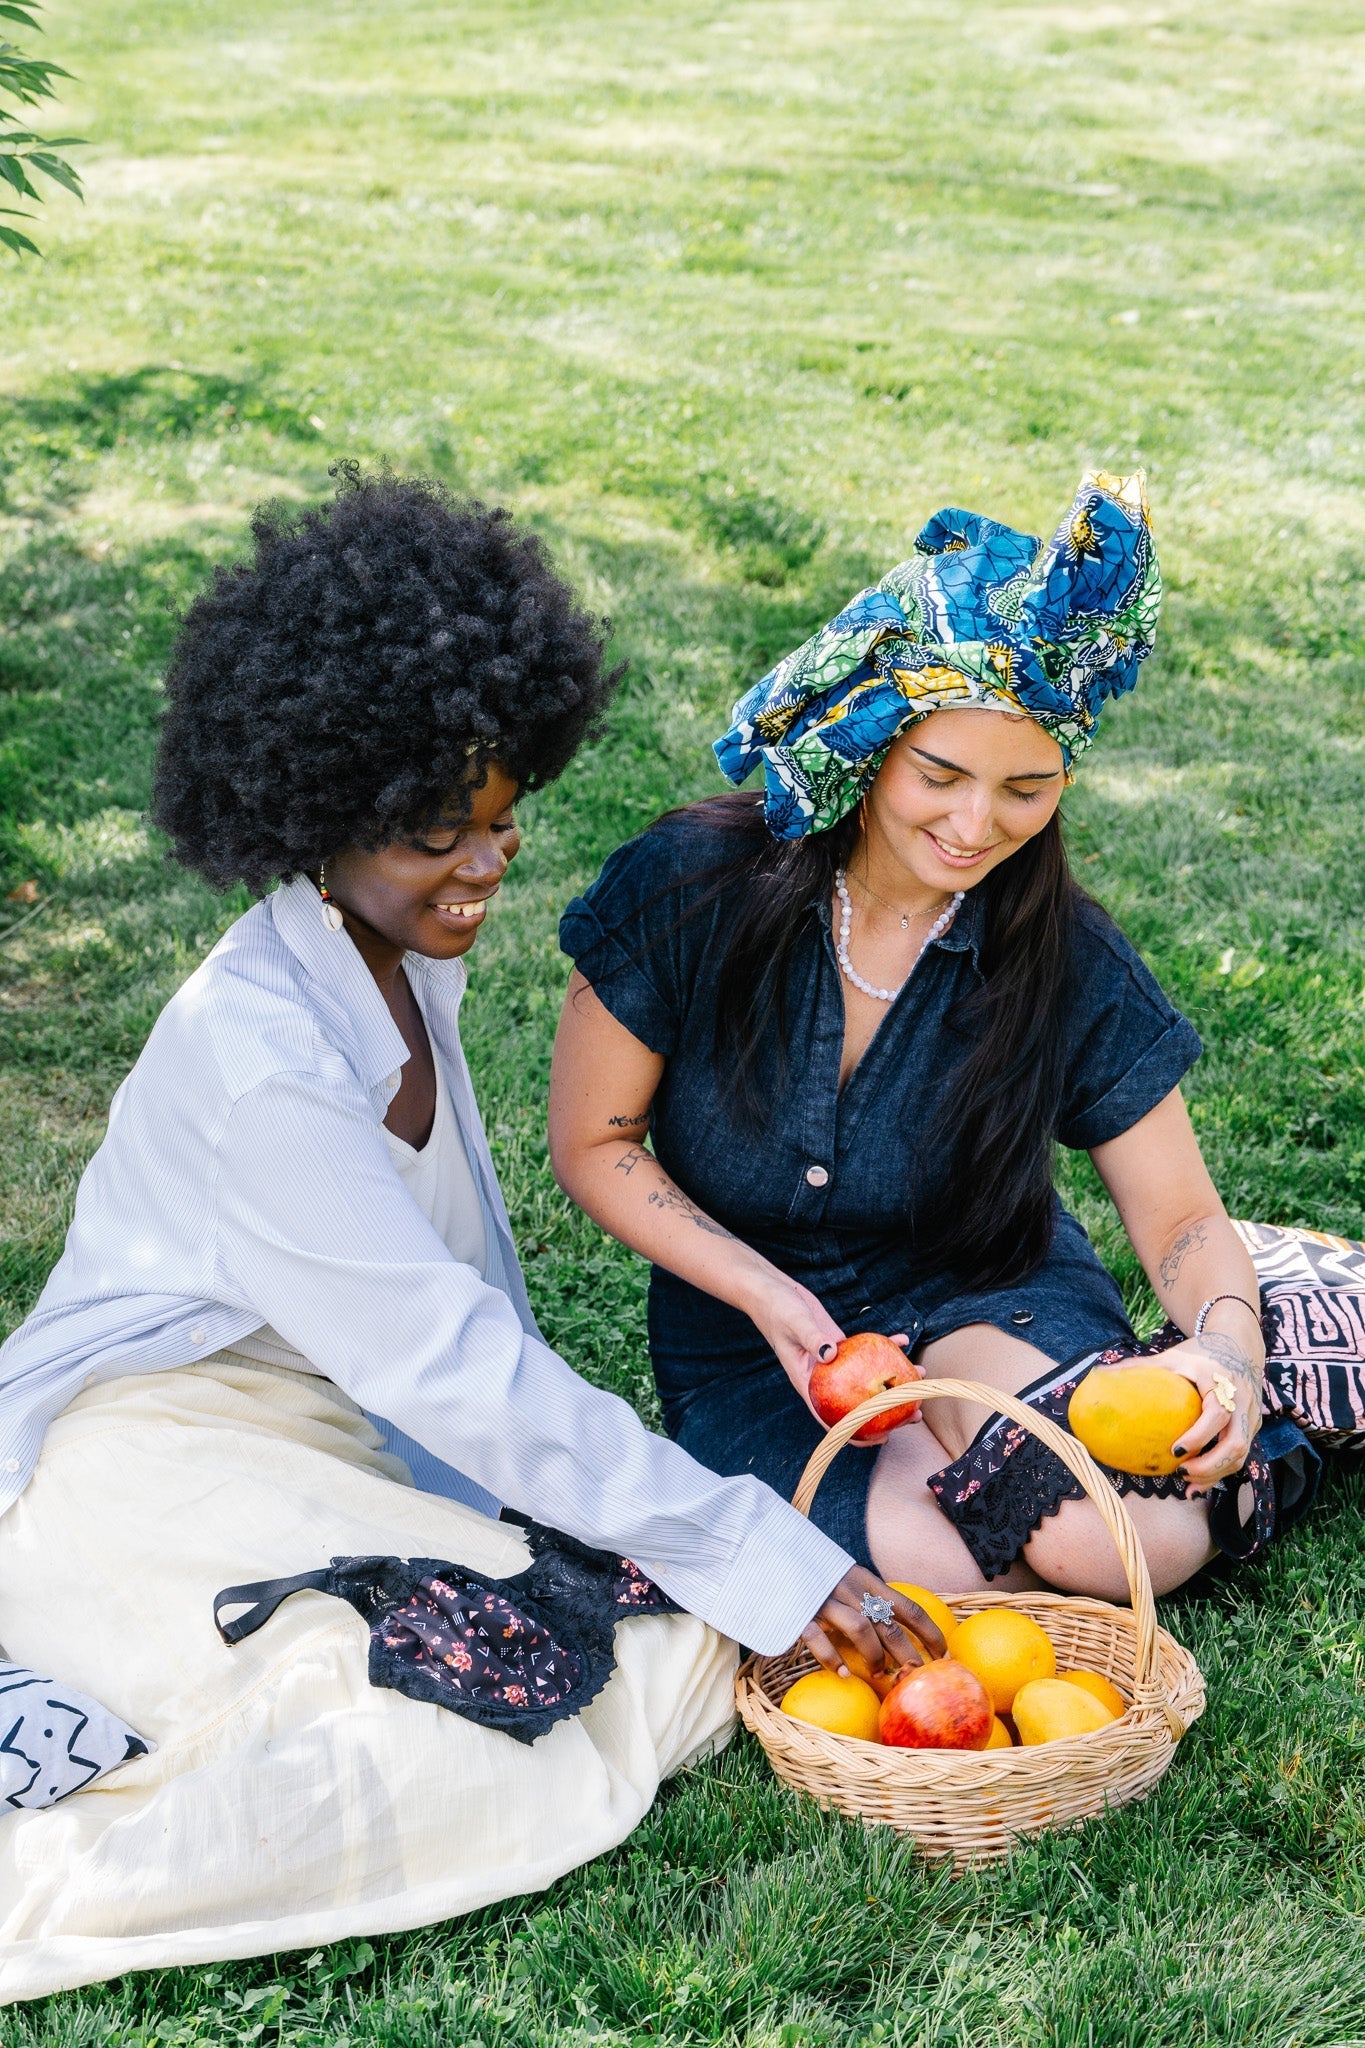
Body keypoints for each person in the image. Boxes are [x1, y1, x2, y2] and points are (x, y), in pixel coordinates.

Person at [0, 471, 931, 2005]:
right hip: (140, 1466)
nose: (490, 865)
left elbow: (459, 1325)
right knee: (481, 1721)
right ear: (317, 809)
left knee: (653, 1647)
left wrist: (637, 1535)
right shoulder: (264, 1070)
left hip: (316, 1442)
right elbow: (456, 1370)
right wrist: (754, 1548)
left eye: (503, 821)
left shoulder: (389, 954)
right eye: (444, 831)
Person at [550, 471, 1320, 1605]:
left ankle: (1266, 1442)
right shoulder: (688, 887)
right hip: (757, 1337)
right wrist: (766, 1295)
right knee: (939, 1572)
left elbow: (1184, 1217)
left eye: (1026, 789)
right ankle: (971, 1461)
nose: (974, 825)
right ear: (869, 738)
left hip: (987, 1285)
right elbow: (595, 1140)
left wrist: (1228, 1356)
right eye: (940, 774)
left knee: (1114, 1549)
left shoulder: (1066, 952)